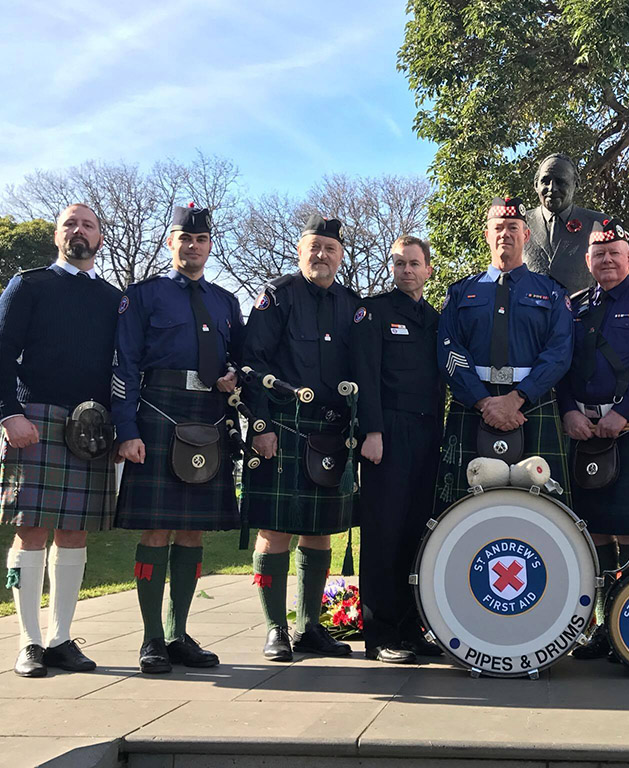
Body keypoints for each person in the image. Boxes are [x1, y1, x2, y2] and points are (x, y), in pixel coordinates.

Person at [0, 203, 121, 677]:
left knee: (74, 532)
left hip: (90, 425)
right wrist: (8, 413)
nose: (79, 230)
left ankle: (62, 638)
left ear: (100, 238)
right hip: (35, 420)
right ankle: (29, 642)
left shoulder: (112, 298)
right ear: (56, 236)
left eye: (88, 224)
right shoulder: (30, 284)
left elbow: (120, 367)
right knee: (32, 529)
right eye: (70, 224)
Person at [113, 204, 244, 674]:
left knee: (193, 530)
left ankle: (178, 633)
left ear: (210, 245)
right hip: (157, 413)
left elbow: (242, 360)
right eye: (184, 238)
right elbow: (124, 366)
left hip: (207, 416)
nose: (193, 246)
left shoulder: (227, 302)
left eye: (202, 239)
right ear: (171, 243)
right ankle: (150, 638)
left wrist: (234, 376)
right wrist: (126, 430)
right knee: (157, 527)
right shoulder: (143, 295)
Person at [556, 218, 629, 660]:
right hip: (584, 429)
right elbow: (561, 362)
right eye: (598, 254)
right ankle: (605, 626)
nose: (606, 260)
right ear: (588, 260)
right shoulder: (574, 306)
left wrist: (622, 411)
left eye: (614, 253)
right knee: (597, 530)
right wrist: (568, 409)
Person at [244, 214, 359, 663]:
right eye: (314, 247)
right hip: (284, 427)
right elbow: (252, 361)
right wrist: (261, 425)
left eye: (330, 248)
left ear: (340, 254)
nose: (322, 255)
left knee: (321, 531)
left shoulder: (351, 304)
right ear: (300, 250)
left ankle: (309, 626)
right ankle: (275, 629)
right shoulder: (278, 296)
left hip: (332, 430)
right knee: (275, 532)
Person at [435, 195, 573, 508]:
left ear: (526, 235)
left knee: (545, 506)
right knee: (463, 507)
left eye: (513, 227)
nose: (505, 233)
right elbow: (448, 350)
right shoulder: (460, 292)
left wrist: (517, 398)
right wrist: (484, 401)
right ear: (487, 234)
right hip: (473, 405)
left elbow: (560, 350)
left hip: (531, 405)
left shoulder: (551, 292)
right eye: (498, 227)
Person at [353, 235, 445, 664]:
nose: (406, 270)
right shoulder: (374, 312)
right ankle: (381, 632)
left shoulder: (435, 318)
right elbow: (366, 375)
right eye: (399, 263)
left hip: (428, 437)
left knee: (417, 533)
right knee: (383, 532)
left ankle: (412, 628)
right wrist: (371, 431)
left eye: (414, 263)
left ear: (429, 269)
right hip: (386, 435)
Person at [523, 154, 609, 294]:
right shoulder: (518, 224)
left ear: (576, 184)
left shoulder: (599, 224)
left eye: (560, 182)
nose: (552, 188)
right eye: (545, 181)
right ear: (536, 184)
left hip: (582, 314)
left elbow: (611, 279)